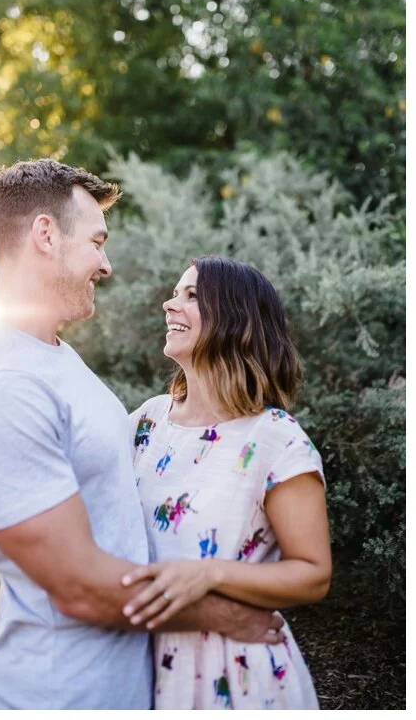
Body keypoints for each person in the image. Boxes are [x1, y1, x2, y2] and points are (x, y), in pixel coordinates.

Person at [0, 160, 285, 710]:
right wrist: (224, 616)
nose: (107, 264)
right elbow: (78, 586)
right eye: (97, 241)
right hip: (62, 693)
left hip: (129, 684)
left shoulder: (53, 358)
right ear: (46, 235)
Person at [121, 256, 328, 709]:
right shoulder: (148, 421)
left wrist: (209, 572)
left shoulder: (275, 439)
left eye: (191, 295)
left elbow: (313, 575)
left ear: (237, 318)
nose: (169, 304)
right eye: (176, 293)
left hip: (235, 673)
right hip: (138, 661)